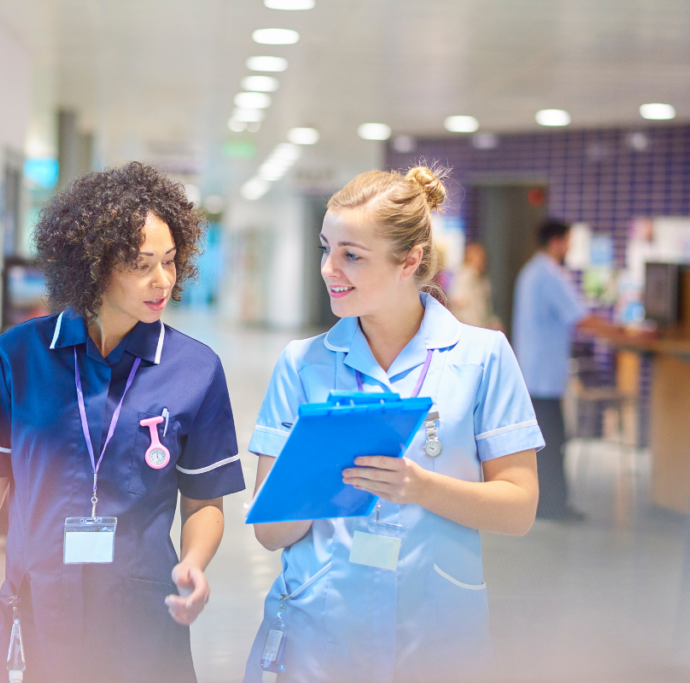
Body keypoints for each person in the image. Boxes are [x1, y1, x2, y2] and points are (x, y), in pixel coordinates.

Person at [0, 162, 246, 683]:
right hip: (36, 612)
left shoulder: (195, 369)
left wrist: (194, 561)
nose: (162, 280)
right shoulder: (20, 355)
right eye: (143, 265)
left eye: (169, 261)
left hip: (143, 618)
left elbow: (205, 499)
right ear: (94, 265)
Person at [244, 167, 544, 683]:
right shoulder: (302, 364)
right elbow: (270, 532)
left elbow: (519, 508)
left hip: (436, 635)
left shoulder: (483, 357)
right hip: (319, 633)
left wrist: (421, 487)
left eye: (351, 255)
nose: (329, 269)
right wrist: (314, 473)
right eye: (326, 248)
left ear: (410, 260)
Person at [512, 218, 624, 521]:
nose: (571, 247)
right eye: (569, 240)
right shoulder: (549, 275)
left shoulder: (532, 271)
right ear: (557, 242)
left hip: (534, 373)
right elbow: (581, 318)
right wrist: (622, 332)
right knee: (552, 444)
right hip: (543, 378)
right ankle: (552, 506)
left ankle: (546, 504)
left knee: (546, 444)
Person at [450, 242, 502, 330]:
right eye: (478, 257)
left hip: (481, 328)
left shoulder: (483, 281)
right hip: (469, 328)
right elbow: (459, 304)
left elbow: (487, 309)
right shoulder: (464, 277)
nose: (481, 260)